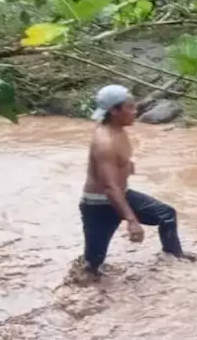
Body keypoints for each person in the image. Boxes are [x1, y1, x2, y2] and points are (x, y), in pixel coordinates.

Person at [80, 84, 187, 275]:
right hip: (99, 205)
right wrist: (131, 220)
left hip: (120, 194)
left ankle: (175, 258)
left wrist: (126, 165)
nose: (135, 112)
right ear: (114, 110)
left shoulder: (117, 128)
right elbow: (109, 186)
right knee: (92, 264)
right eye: (130, 107)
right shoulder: (105, 142)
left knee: (166, 215)